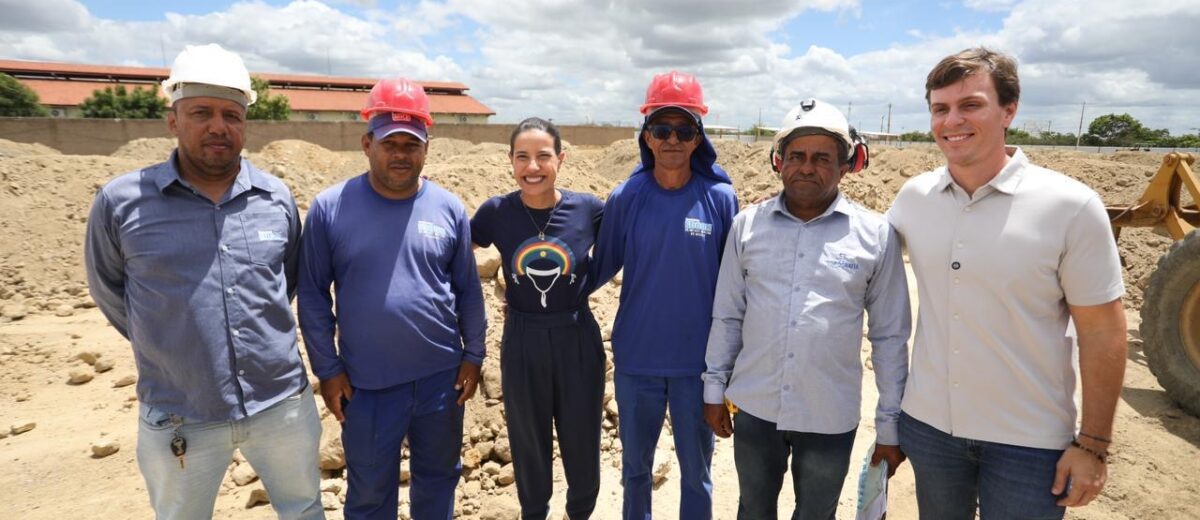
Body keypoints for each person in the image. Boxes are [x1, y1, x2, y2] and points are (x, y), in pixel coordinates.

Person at [84, 43, 323, 519]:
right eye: (201, 113)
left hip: (281, 404)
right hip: (180, 411)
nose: (218, 126)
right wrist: (167, 340)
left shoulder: (275, 198)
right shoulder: (122, 202)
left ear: (245, 123)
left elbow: (286, 280)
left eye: (231, 115)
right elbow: (109, 290)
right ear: (173, 120)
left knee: (303, 510)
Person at [888, 47, 1127, 519]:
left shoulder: (1070, 207)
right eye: (940, 108)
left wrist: (1094, 444)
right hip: (931, 430)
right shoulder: (914, 198)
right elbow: (858, 254)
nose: (951, 121)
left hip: (1028, 444)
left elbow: (1103, 332)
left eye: (970, 105)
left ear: (1009, 110)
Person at [702, 99, 910, 520]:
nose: (807, 168)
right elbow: (728, 314)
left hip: (828, 414)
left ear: (846, 166)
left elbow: (890, 336)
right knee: (753, 510)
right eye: (796, 156)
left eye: (822, 158)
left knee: (817, 513)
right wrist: (714, 389)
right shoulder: (747, 226)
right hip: (755, 407)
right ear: (778, 162)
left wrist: (890, 426)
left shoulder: (875, 236)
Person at [296, 77, 486, 520]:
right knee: (369, 494)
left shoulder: (449, 208)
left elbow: (467, 289)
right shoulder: (330, 208)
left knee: (438, 481)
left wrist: (474, 355)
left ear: (426, 149)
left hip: (440, 381)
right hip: (367, 386)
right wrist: (328, 369)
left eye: (411, 144)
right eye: (390, 143)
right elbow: (313, 295)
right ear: (367, 144)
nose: (401, 153)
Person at [591, 70, 739, 520]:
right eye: (662, 129)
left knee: (697, 472)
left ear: (698, 139)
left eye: (684, 130)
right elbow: (599, 267)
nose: (672, 139)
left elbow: (736, 285)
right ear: (647, 137)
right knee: (635, 471)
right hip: (637, 362)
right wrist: (537, 300)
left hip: (699, 367)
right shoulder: (626, 197)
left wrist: (732, 363)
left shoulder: (720, 198)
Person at [470, 117, 606, 520]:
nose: (533, 167)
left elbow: (629, 240)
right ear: (510, 160)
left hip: (577, 336)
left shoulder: (588, 209)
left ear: (561, 159)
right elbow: (454, 247)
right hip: (522, 339)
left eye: (543, 156)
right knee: (528, 442)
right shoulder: (496, 212)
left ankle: (579, 513)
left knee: (582, 439)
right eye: (522, 157)